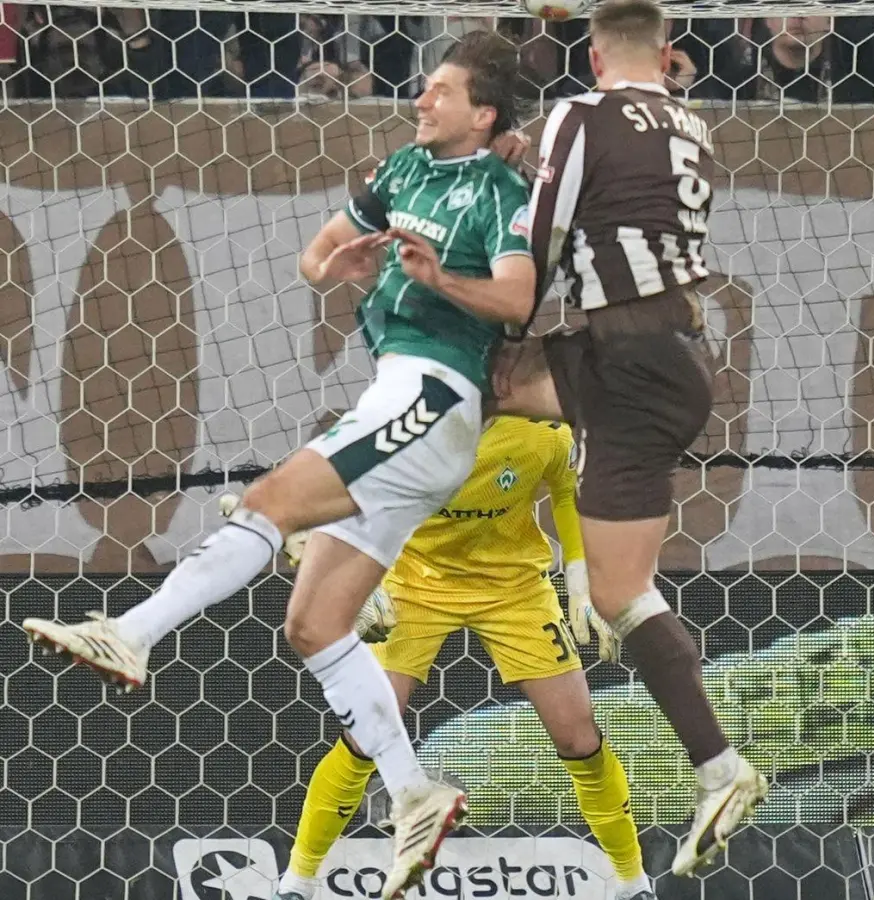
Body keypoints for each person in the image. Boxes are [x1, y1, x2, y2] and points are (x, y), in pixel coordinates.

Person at [24, 30, 537, 900]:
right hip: (396, 395)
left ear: (483, 114)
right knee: (313, 626)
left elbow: (519, 300)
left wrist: (439, 279)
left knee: (267, 501)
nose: (420, 101)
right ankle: (414, 792)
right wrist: (333, 265)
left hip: (439, 393)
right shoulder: (398, 174)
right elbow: (317, 253)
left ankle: (134, 633)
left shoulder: (502, 190)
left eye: (440, 93)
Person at [487, 0, 766, 876]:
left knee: (619, 589)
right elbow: (620, 193)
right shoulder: (689, 122)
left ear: (597, 58)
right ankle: (718, 766)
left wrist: (509, 309)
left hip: (631, 357)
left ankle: (722, 764)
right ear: (669, 54)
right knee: (482, 392)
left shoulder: (581, 111)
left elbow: (545, 228)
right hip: (661, 355)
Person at [272, 417, 656, 900]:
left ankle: (633, 882)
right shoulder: (404, 426)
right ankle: (298, 882)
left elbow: (565, 488)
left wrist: (580, 579)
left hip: (515, 589)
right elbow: (344, 492)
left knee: (579, 734)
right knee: (365, 733)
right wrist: (343, 566)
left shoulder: (542, 432)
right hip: (413, 583)